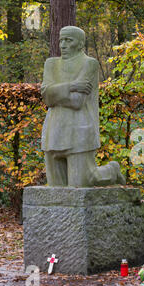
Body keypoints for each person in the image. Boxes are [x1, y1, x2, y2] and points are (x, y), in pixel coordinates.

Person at [41, 26, 125, 187]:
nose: (63, 45)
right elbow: (46, 97)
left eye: (68, 40)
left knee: (82, 183)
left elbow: (77, 101)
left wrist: (55, 92)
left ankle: (112, 171)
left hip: (79, 130)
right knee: (56, 189)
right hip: (53, 131)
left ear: (80, 44)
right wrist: (72, 85)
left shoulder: (89, 64)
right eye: (61, 40)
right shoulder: (51, 64)